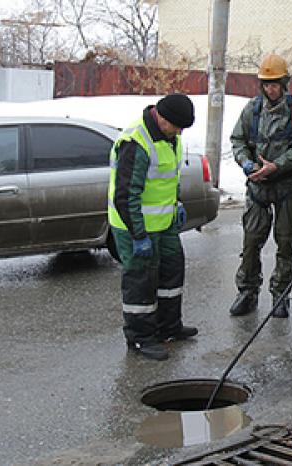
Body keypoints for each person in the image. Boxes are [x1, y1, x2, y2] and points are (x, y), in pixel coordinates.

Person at [108, 93, 198, 361]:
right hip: (135, 227)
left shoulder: (172, 137)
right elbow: (125, 196)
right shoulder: (135, 143)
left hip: (165, 222)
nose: (180, 132)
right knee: (141, 281)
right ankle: (140, 338)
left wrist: (177, 203)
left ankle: (168, 327)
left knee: (172, 270)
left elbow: (169, 178)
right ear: (161, 117)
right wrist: (138, 235)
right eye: (177, 126)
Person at [228, 54, 292, 318]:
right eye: (266, 84)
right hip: (258, 186)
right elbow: (238, 140)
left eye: (275, 83)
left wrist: (277, 165)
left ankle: (281, 294)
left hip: (287, 185)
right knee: (252, 241)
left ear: (284, 83)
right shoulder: (252, 110)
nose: (270, 89)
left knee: (286, 242)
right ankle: (247, 291)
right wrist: (247, 165)